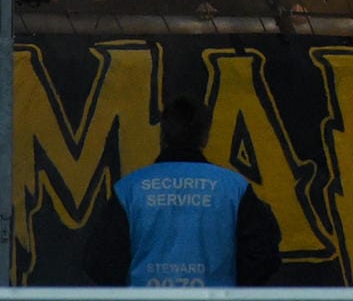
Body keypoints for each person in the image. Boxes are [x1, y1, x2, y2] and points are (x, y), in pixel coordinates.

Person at [83, 96, 282, 287]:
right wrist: (226, 288)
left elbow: (99, 261)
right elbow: (264, 255)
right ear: (205, 136)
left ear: (163, 134)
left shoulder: (130, 189)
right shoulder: (233, 188)